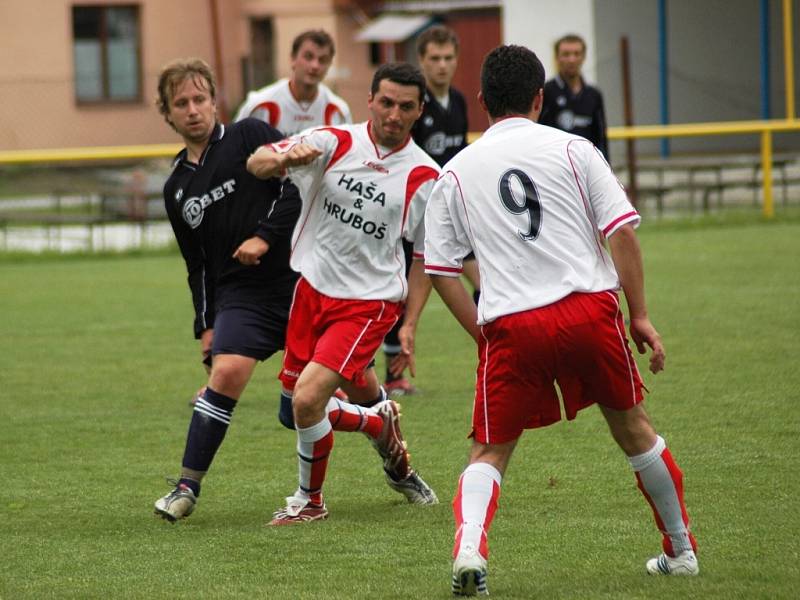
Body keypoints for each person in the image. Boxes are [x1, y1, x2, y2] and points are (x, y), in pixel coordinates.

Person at [423, 45, 698, 595]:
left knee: (489, 450)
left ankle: (470, 551)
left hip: (511, 324)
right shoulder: (576, 150)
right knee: (634, 429)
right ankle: (681, 550)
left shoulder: (454, 172)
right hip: (589, 313)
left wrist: (483, 334)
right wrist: (638, 315)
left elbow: (439, 269)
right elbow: (621, 231)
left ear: (480, 102)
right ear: (540, 98)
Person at [152, 58, 428, 523]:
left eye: (200, 98)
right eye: (182, 103)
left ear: (215, 100)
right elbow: (195, 263)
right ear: (167, 113)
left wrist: (263, 234)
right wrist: (206, 323)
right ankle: (187, 485)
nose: (194, 109)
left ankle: (364, 456)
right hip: (250, 296)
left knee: (326, 395)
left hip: (298, 280)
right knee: (243, 383)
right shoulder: (177, 187)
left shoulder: (245, 134)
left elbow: (290, 190)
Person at [247, 62, 441, 525]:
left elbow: (426, 257)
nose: (394, 114)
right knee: (301, 408)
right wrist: (281, 161)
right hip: (311, 292)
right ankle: (381, 427)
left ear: (419, 112)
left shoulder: (424, 176)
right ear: (370, 100)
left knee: (308, 400)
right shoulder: (333, 141)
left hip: (369, 304)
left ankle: (309, 502)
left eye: (406, 107)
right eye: (387, 102)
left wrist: (410, 322)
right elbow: (256, 161)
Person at [379, 24, 476, 397]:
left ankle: (497, 354)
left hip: (451, 214)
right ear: (422, 61)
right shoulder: (413, 107)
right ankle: (393, 375)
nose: (441, 65)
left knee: (485, 282)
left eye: (448, 58)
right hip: (412, 216)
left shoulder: (461, 102)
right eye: (434, 58)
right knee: (399, 290)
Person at [234, 29, 351, 136]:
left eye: (322, 60)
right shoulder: (259, 104)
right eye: (308, 57)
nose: (315, 65)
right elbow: (234, 146)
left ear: (329, 65)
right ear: (292, 59)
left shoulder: (339, 110)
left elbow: (348, 155)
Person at [539, 33, 609, 161]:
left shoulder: (593, 95)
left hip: (587, 167)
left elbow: (601, 139)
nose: (572, 59)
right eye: (566, 54)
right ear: (557, 57)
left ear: (583, 57)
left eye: (576, 54)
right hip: (556, 165)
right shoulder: (546, 92)